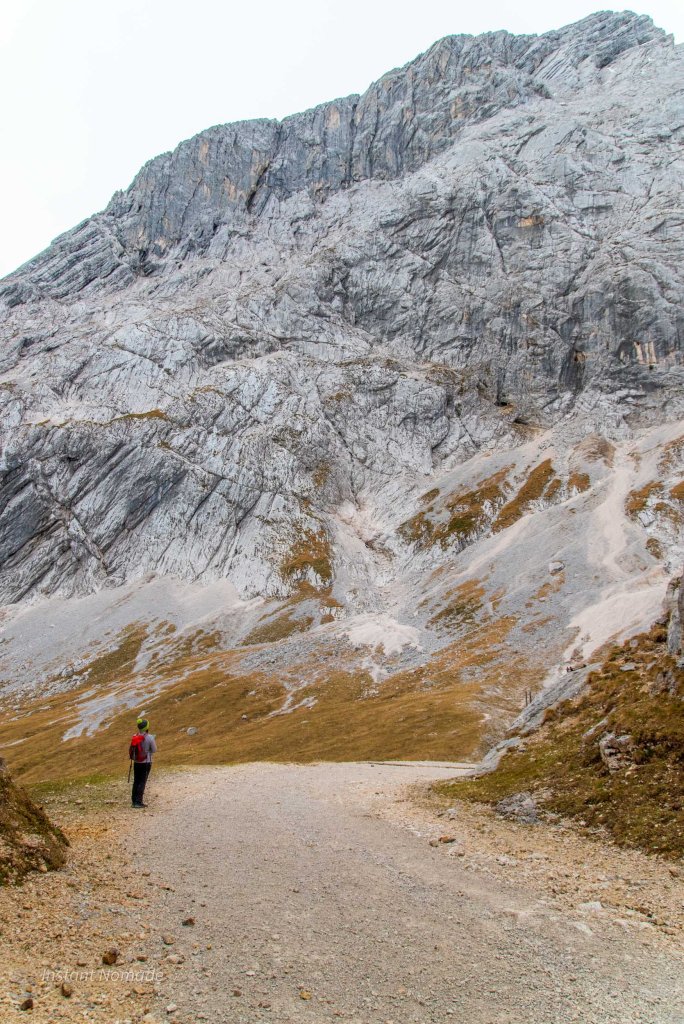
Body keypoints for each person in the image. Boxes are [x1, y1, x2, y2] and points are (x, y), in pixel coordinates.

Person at [129, 716, 157, 808]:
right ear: (147, 727)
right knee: (142, 781)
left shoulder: (135, 736)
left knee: (136, 781)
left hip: (136, 762)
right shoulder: (150, 737)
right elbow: (154, 750)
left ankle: (134, 801)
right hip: (146, 762)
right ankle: (138, 802)